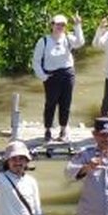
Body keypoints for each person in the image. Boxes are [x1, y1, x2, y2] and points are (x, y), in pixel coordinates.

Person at [31, 13, 85, 141]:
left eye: (63, 24)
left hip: (67, 74)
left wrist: (78, 25)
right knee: (50, 103)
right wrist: (43, 76)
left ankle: (63, 129)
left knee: (65, 103)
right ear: (52, 25)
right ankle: (48, 129)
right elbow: (36, 61)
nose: (60, 27)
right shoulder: (43, 41)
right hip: (51, 76)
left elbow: (80, 42)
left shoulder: (68, 38)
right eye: (58, 24)